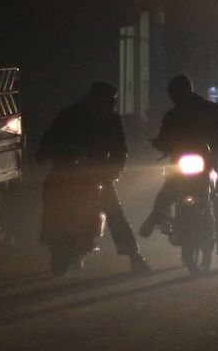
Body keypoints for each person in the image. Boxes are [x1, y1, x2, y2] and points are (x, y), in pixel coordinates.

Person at [34, 82, 150, 274]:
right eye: (107, 100)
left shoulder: (112, 119)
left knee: (114, 211)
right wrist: (42, 152)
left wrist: (114, 169)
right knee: (50, 195)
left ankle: (134, 256)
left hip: (97, 172)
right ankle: (53, 239)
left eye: (112, 101)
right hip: (67, 169)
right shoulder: (70, 115)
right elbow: (51, 137)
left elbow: (120, 149)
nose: (110, 104)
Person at [139, 74, 218, 270]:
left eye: (174, 93)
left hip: (210, 165)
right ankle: (157, 215)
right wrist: (159, 143)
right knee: (170, 190)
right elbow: (163, 139)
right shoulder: (174, 115)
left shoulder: (208, 111)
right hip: (184, 165)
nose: (173, 97)